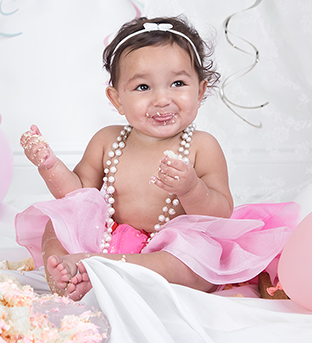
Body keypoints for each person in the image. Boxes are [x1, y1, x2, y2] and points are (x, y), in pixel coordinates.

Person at [16, 16, 299, 301]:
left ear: (200, 91)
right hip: (108, 238)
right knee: (56, 226)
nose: (162, 99)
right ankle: (69, 283)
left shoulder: (202, 147)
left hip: (169, 249)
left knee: (194, 262)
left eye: (177, 83)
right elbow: (76, 197)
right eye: (143, 87)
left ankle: (99, 268)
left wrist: (191, 188)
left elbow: (220, 214)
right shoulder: (107, 140)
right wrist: (49, 165)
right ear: (117, 99)